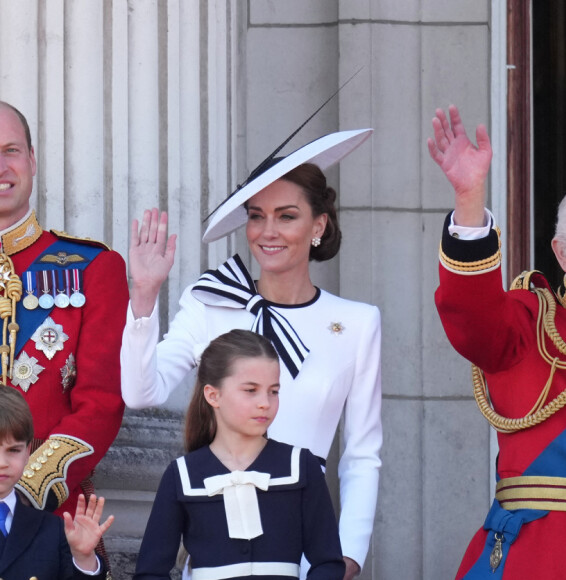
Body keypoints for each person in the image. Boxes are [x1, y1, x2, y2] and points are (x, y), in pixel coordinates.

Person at [121, 129, 382, 579]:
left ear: (318, 225)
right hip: (214, 534)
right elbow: (140, 392)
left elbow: (362, 453)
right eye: (257, 216)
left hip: (304, 534)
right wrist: (143, 298)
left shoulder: (357, 323)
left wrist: (348, 555)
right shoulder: (209, 302)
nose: (267, 232)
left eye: (286, 216)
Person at [429, 104, 566, 578]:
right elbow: (473, 316)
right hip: (542, 557)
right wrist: (469, 198)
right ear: (562, 252)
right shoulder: (531, 321)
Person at [0, 101, 128, 519]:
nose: (1, 166)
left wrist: (26, 492)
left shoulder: (93, 267)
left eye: (11, 151)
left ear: (32, 160)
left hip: (50, 519)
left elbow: (101, 404)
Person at [133, 329, 345, 579]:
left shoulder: (301, 466)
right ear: (213, 395)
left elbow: (328, 563)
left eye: (273, 391)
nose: (265, 402)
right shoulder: (181, 475)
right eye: (250, 390)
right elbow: (150, 572)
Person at [0, 384, 114, 579]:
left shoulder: (53, 530)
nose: (2, 463)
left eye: (14, 450)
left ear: (28, 453)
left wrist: (84, 558)